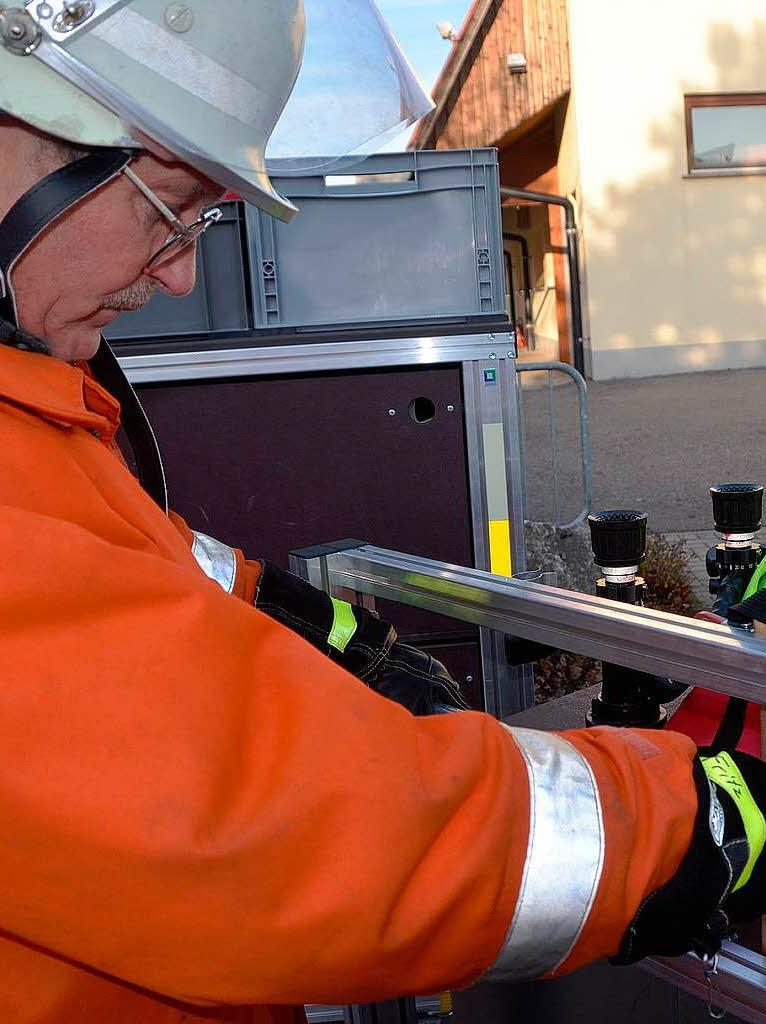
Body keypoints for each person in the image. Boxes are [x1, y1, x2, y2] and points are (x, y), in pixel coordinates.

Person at [0, 3, 765, 1023]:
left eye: (202, 225)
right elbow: (284, 843)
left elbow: (108, 563)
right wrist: (691, 819)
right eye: (167, 207)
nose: (180, 271)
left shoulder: (33, 411)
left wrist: (297, 615)